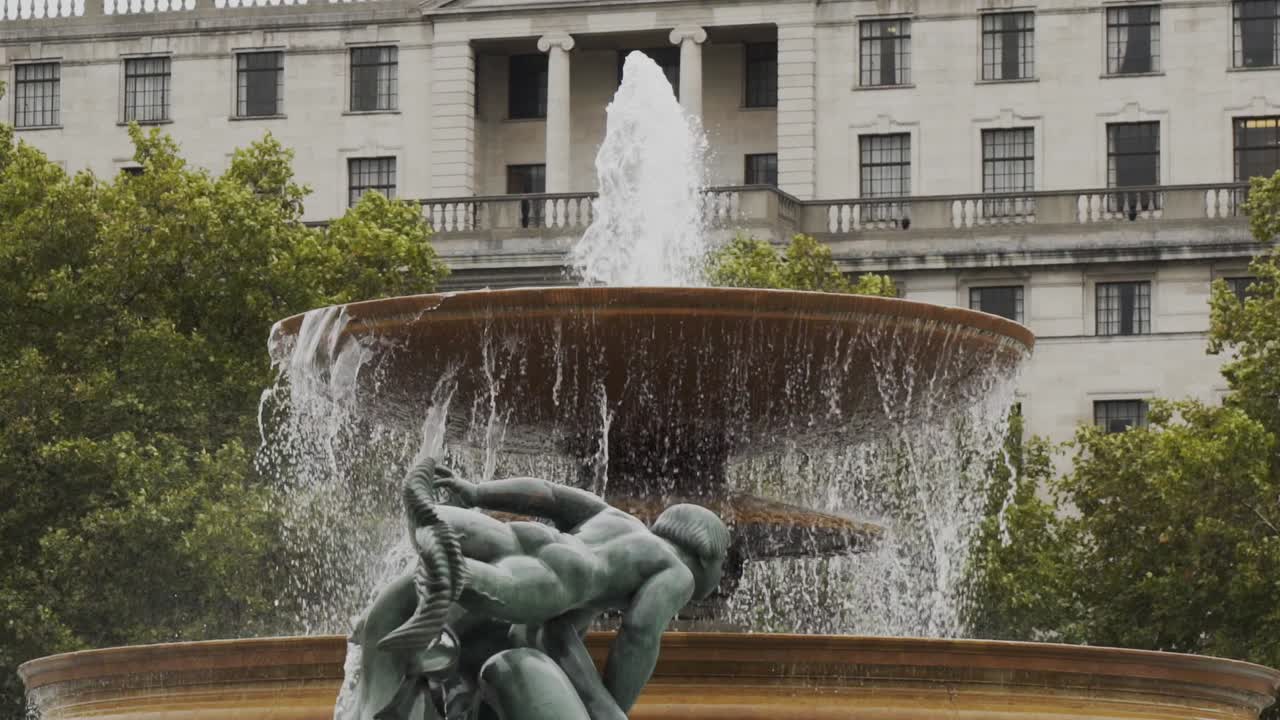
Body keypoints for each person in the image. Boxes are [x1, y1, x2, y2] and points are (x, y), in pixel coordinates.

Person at [351, 459, 730, 720]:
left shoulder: (621, 520)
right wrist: (612, 709)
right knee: (476, 581)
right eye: (723, 558)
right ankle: (447, 574)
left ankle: (430, 520)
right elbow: (639, 635)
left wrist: (478, 492)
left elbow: (549, 495)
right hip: (559, 578)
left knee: (453, 532)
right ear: (706, 554)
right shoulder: (678, 572)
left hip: (532, 538)